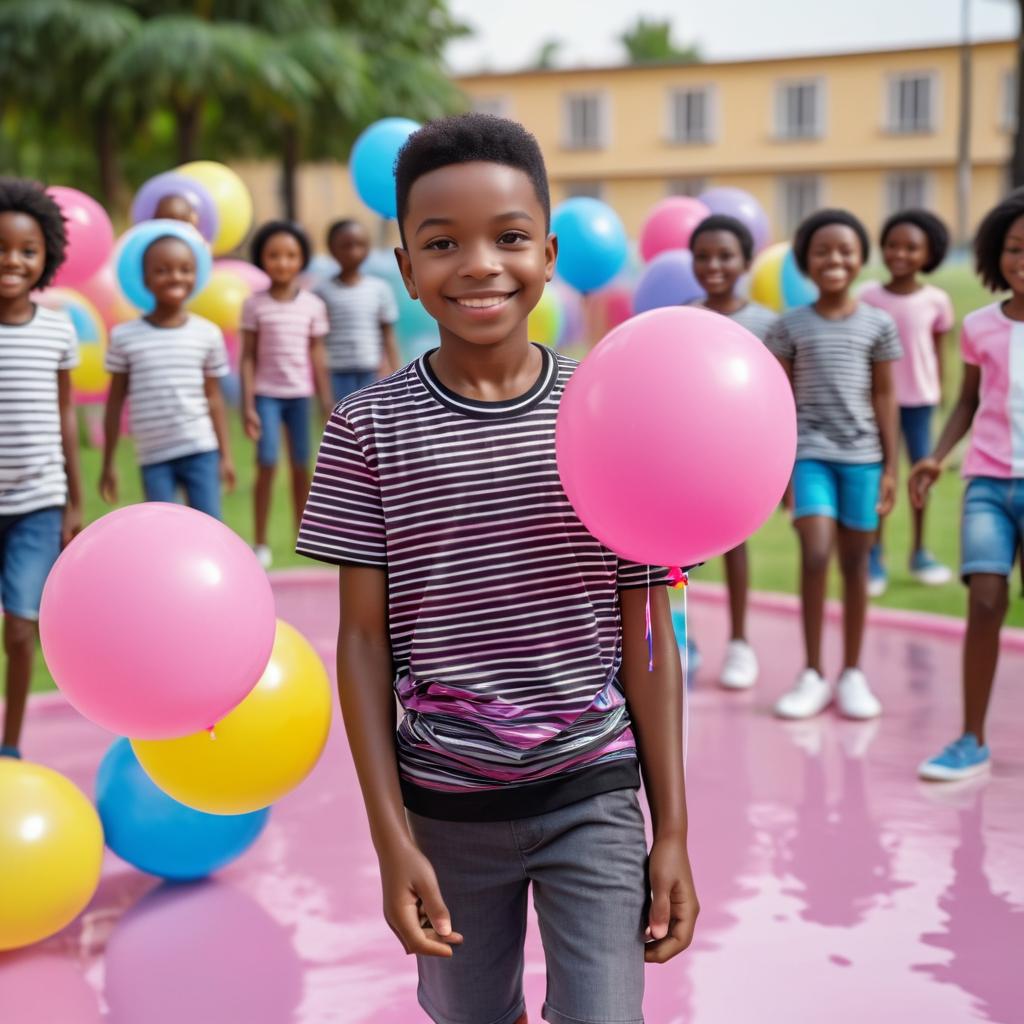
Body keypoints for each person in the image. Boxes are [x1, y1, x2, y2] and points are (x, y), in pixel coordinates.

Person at [296, 113, 699, 1024]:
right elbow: (361, 643)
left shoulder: (614, 412)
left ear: (549, 253)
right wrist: (392, 841)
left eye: (509, 238)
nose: (479, 264)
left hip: (591, 788)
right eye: (442, 243)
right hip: (444, 809)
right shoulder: (367, 431)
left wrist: (671, 830)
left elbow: (649, 633)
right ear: (406, 268)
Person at [766, 209, 902, 721]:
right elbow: (778, 403)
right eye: (822, 251)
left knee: (855, 564)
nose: (834, 260)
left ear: (860, 259)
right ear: (805, 261)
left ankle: (851, 673)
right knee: (817, 551)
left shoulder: (878, 324)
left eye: (845, 250)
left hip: (864, 460)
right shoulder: (789, 327)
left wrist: (891, 467)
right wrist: (779, 469)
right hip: (810, 456)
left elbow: (886, 397)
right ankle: (812, 673)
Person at [911, 189, 1024, 781]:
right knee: (984, 601)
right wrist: (934, 456)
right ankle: (971, 739)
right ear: (993, 253)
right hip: (988, 481)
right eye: (1013, 248)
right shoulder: (981, 326)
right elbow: (968, 401)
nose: (1021, 259)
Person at [0, 178, 82, 759]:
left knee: (22, 629)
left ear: (45, 256)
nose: (12, 260)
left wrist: (74, 501)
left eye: (26, 251)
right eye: (1, 248)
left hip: (38, 500)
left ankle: (11, 744)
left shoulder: (56, 328)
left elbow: (66, 417)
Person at [690, 214, 778, 690]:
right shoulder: (684, 315)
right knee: (676, 557)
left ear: (746, 261)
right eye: (702, 257)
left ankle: (740, 642)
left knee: (735, 549)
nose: (713, 265)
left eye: (725, 256)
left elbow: (779, 400)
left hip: (740, 464)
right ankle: (686, 638)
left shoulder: (767, 324)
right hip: (688, 460)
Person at [100, 234, 234, 519]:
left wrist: (226, 455)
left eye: (185, 269)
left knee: (210, 526)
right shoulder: (124, 337)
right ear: (145, 280)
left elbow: (214, 398)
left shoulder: (208, 334)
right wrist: (108, 462)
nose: (175, 277)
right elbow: (114, 403)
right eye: (162, 270)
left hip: (200, 449)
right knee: (162, 528)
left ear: (195, 277)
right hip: (154, 457)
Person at [860, 209, 955, 596]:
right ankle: (874, 555)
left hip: (920, 403)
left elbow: (937, 349)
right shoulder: (868, 296)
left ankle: (919, 552)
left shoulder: (937, 300)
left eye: (911, 247)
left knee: (920, 478)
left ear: (928, 253)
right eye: (893, 245)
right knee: (882, 477)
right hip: (878, 404)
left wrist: (942, 389)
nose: (900, 253)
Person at [241, 220, 331, 570]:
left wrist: (325, 401)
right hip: (267, 396)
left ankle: (303, 537)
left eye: (290, 255)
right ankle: (260, 541)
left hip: (300, 397)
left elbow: (317, 356)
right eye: (274, 255)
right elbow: (247, 356)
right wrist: (248, 403)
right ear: (262, 260)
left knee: (300, 466)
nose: (282, 262)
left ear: (301, 260)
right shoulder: (254, 305)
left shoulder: (312, 305)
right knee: (266, 463)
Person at [314, 219, 400, 402]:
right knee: (343, 424)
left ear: (368, 248)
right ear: (331, 248)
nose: (353, 251)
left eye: (360, 245)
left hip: (372, 371)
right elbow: (318, 341)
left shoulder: (379, 289)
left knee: (372, 425)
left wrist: (396, 373)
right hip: (337, 373)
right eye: (346, 246)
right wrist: (323, 389)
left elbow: (388, 336)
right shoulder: (322, 292)